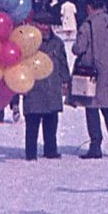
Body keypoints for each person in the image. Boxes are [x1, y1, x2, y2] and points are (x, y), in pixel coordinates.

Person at [71, 0, 108, 159]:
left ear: (89, 7)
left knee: (92, 108)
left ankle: (95, 146)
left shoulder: (87, 25)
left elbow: (79, 48)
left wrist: (74, 48)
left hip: (92, 72)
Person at [22, 11, 71, 160]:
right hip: (34, 88)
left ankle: (51, 150)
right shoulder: (27, 43)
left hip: (52, 87)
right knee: (32, 122)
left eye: (47, 24)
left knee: (51, 121)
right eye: (41, 24)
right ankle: (30, 153)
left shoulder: (57, 43)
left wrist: (66, 80)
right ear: (35, 25)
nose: (44, 27)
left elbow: (63, 62)